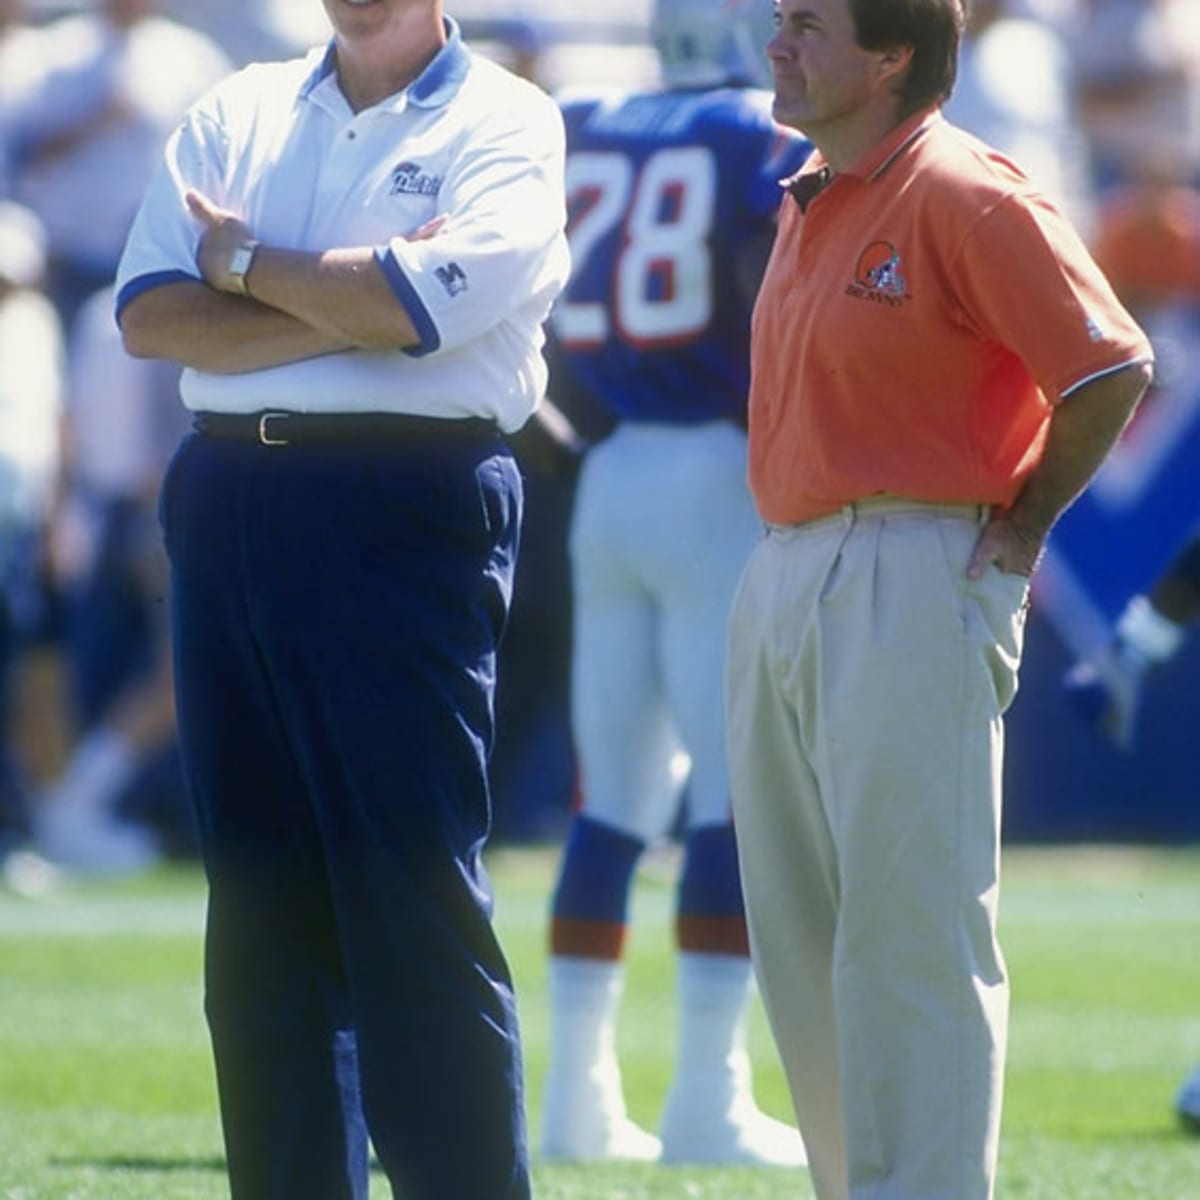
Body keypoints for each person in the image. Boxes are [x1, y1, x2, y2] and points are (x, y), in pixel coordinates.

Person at [114, 1, 569, 1197]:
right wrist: (347, 300)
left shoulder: (507, 116)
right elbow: (151, 313)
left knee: (408, 882)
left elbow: (415, 310)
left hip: (404, 494)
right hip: (228, 491)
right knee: (258, 892)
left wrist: (245, 267)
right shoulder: (237, 106)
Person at [723, 2, 1154, 1198]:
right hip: (788, 560)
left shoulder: (969, 191)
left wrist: (1023, 525)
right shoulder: (811, 190)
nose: (778, 43)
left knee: (911, 931)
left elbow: (1110, 363)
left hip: (913, 564)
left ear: (891, 56)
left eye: (810, 24)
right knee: (801, 935)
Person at [538, 0, 811, 1167]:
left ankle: (575, 1099)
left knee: (612, 799)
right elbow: (781, 273)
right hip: (713, 469)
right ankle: (707, 1093)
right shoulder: (756, 130)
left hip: (608, 469)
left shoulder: (585, 116)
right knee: (731, 799)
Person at [5, 0, 229, 332]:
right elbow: (24, 156)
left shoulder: (190, 57)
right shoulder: (56, 54)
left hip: (153, 254)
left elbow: (221, 150)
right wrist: (95, 122)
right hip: (68, 256)